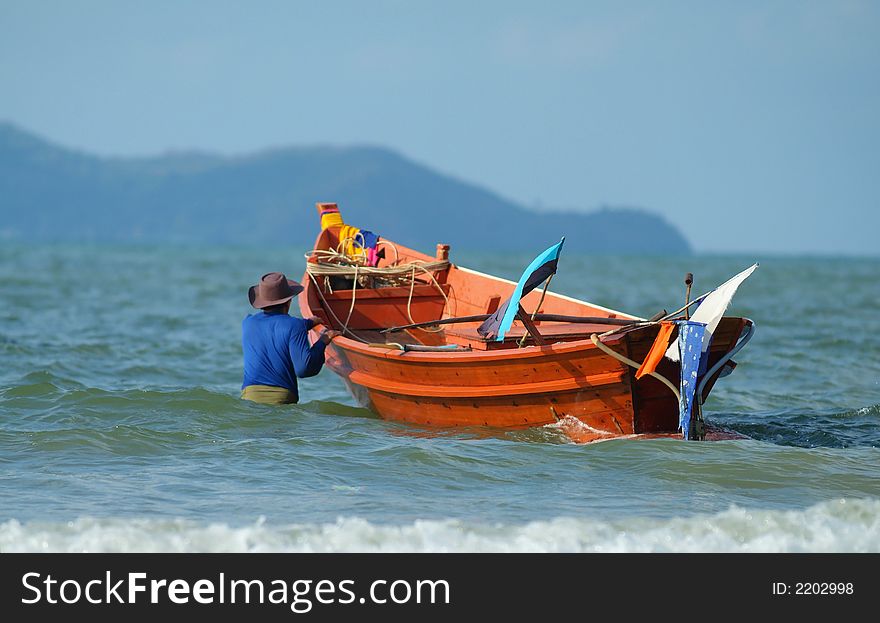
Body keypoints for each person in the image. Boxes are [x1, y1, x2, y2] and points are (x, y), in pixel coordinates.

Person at [241, 272, 340, 405]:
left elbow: (275, 328)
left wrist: (307, 324)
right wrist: (323, 341)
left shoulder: (248, 322)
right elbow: (304, 369)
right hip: (281, 399)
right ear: (288, 301)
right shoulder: (294, 326)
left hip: (249, 397)